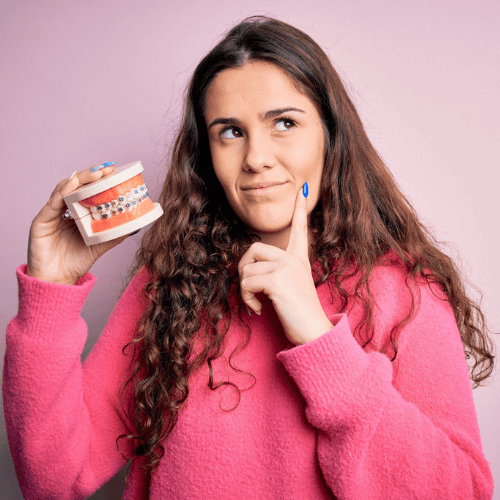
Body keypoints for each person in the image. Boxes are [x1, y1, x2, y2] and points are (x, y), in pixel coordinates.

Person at [3, 16, 495, 500]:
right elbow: (52, 482)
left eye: (284, 123)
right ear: (206, 156)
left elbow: (461, 492)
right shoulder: (171, 284)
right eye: (230, 132)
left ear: (330, 135)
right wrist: (51, 293)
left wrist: (320, 339)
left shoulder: (405, 291)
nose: (256, 157)